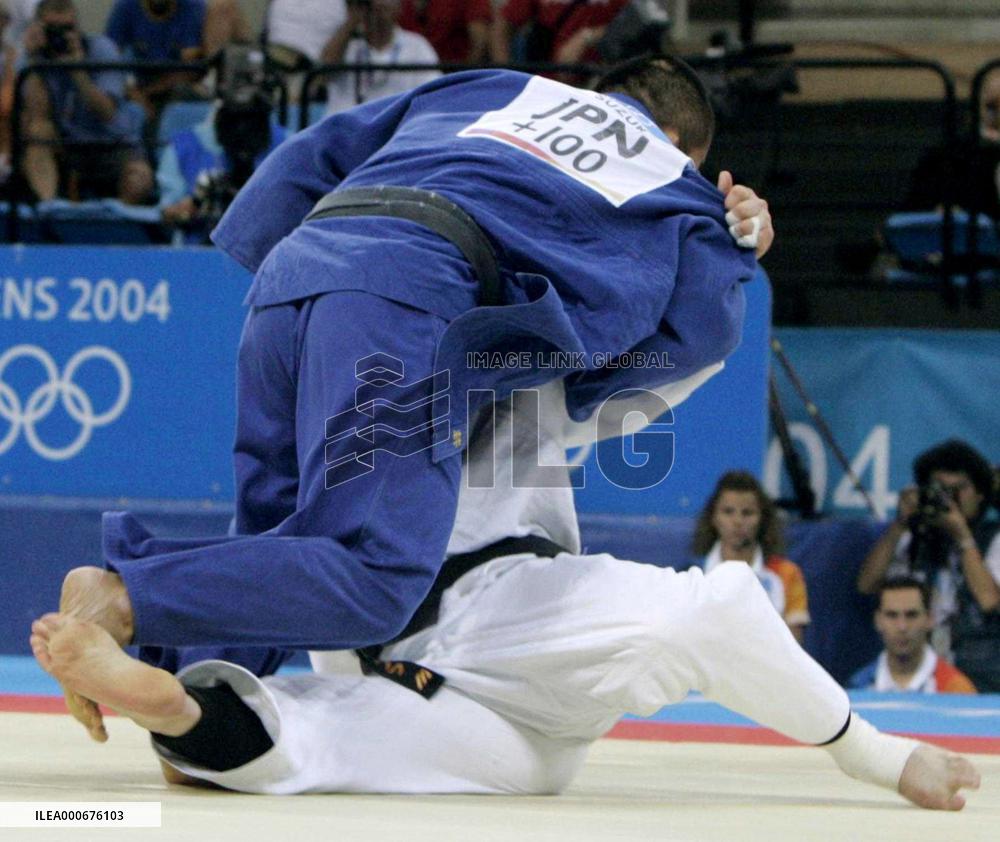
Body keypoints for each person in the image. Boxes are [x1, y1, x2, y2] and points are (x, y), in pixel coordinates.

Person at [857, 439, 1000, 691]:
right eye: (941, 489)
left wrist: (962, 536)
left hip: (983, 675)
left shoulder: (994, 539)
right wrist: (900, 524)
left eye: (960, 489)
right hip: (918, 672)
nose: (950, 498)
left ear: (980, 494)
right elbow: (867, 584)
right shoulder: (913, 537)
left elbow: (990, 600)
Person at [20, 0, 153, 203]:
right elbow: (36, 114)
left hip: (111, 143)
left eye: (66, 29)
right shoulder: (33, 59)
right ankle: (50, 213)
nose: (60, 36)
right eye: (52, 29)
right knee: (38, 131)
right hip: (67, 145)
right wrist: (34, 62)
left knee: (139, 179)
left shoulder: (101, 49)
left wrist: (77, 69)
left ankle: (118, 226)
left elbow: (106, 112)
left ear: (77, 25)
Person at [158, 83, 287, 241]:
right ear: (220, 118)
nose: (243, 129)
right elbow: (167, 214)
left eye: (251, 119)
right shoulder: (183, 146)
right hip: (199, 248)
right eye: (235, 120)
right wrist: (198, 201)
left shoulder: (289, 145)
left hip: (271, 247)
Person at [694, 470, 810, 644]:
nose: (738, 521)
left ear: (763, 519)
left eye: (747, 513)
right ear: (714, 517)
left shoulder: (787, 574)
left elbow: (794, 650)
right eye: (728, 511)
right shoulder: (692, 574)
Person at [105, 0, 250, 124]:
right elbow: (107, 57)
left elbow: (190, 71)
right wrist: (134, 94)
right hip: (140, 93)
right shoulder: (125, 6)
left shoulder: (191, 6)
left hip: (179, 91)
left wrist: (146, 93)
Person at [848, 576, 977, 694]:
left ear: (929, 618)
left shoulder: (956, 688)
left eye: (911, 615)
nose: (902, 626)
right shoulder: (858, 688)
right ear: (878, 620)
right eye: (892, 615)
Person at [323, 0, 439, 114]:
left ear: (400, 7)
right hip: (347, 127)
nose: (380, 4)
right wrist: (352, 21)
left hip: (399, 126)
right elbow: (321, 76)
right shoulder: (346, 43)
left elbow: (433, 94)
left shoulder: (417, 45)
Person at [491, 0, 627, 65]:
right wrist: (505, 71)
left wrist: (587, 37)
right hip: (546, 81)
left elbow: (641, 25)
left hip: (602, 79)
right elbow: (503, 25)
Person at [398, 0, 492, 64]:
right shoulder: (394, 4)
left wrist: (464, 76)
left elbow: (479, 42)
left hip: (452, 73)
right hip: (400, 70)